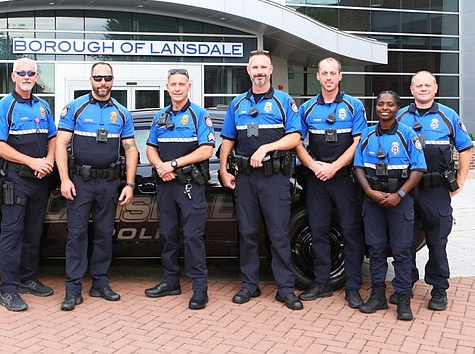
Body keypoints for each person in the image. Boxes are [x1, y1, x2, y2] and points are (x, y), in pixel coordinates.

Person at [218, 50, 303, 310]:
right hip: (245, 179)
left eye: (263, 67)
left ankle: (285, 289)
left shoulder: (283, 101)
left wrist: (266, 148)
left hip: (274, 178)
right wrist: (223, 170)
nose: (259, 72)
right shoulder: (237, 104)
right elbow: (228, 140)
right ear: (248, 70)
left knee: (278, 235)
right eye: (255, 68)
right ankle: (249, 285)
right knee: (246, 234)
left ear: (270, 70)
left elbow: (295, 137)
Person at [56, 61, 138, 312]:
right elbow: (60, 144)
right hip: (80, 182)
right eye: (98, 77)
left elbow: (131, 148)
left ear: (113, 80)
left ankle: (100, 283)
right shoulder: (75, 108)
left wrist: (130, 183)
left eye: (107, 78)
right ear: (90, 79)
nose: (103, 82)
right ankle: (73, 289)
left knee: (104, 234)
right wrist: (65, 179)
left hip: (110, 182)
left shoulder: (122, 112)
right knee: (77, 234)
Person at [395, 71, 473, 311]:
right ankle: (405, 285)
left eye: (428, 85)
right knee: (405, 240)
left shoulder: (448, 116)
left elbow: (465, 148)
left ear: (435, 88)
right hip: (408, 189)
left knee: (437, 241)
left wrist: (460, 180)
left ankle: (439, 288)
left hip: (436, 189)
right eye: (419, 85)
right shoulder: (399, 117)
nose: (423, 89)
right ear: (411, 90)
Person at [294, 58, 366, 308]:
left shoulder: (354, 106)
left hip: (345, 179)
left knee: (350, 232)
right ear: (318, 76)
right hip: (317, 180)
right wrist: (315, 166)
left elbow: (358, 142)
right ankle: (322, 283)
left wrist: (335, 167)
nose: (328, 77)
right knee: (318, 231)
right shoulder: (307, 108)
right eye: (324, 73)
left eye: (332, 73)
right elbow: (296, 142)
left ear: (339, 76)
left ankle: (353, 287)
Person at [0, 57, 57, 312]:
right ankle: (8, 290)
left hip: (40, 180)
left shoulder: (43, 106)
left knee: (33, 234)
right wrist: (32, 162)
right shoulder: (5, 106)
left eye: (31, 73)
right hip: (16, 180)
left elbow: (53, 137)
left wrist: (48, 161)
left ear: (36, 76)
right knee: (12, 235)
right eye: (22, 73)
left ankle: (27, 279)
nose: (27, 76)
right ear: (13, 76)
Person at [144, 68, 214, 310]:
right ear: (167, 87)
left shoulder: (198, 115)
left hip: (189, 185)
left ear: (189, 86)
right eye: (173, 84)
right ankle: (171, 281)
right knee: (168, 235)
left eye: (181, 84)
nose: (176, 88)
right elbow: (150, 147)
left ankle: (200, 289)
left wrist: (173, 164)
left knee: (193, 237)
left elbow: (207, 150)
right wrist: (160, 166)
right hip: (166, 186)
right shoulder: (160, 117)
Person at [353, 91, 426, 321]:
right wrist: (368, 191)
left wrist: (400, 194)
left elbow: (418, 169)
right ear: (376, 107)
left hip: (400, 201)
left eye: (391, 104)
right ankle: (377, 297)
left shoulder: (407, 135)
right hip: (373, 200)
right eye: (381, 104)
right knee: (375, 249)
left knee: (402, 251)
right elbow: (358, 167)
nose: (385, 108)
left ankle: (403, 298)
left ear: (397, 108)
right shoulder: (366, 135)